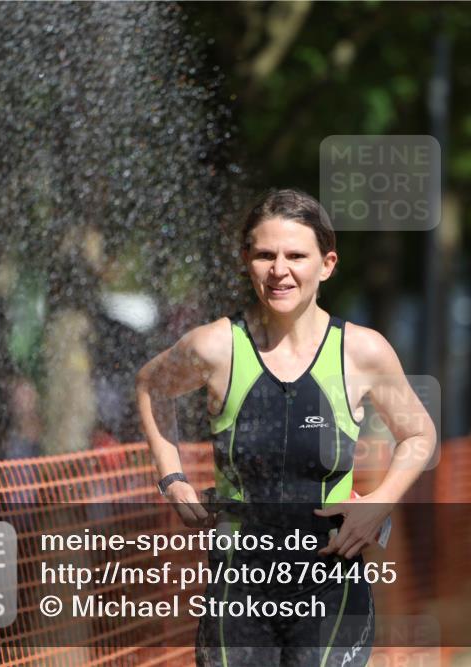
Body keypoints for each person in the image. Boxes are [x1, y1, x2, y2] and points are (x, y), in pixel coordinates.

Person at [135, 188, 436, 667]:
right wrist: (173, 482)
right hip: (238, 590)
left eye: (296, 255)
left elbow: (419, 435)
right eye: (264, 255)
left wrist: (377, 506)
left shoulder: (363, 352)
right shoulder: (215, 347)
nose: (280, 271)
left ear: (327, 264)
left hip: (331, 585)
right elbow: (151, 387)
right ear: (246, 260)